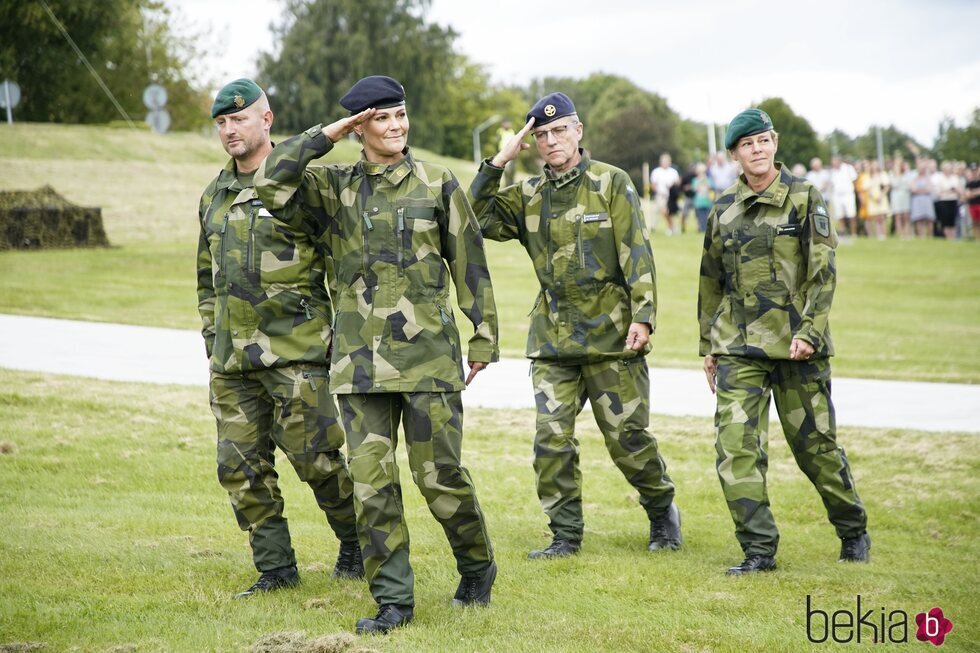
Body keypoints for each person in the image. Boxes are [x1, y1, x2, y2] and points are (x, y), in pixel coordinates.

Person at [254, 76, 499, 634]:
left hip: (430, 361)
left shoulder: (437, 182)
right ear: (360, 127)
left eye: (400, 116)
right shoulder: (332, 188)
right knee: (372, 487)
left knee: (441, 478)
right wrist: (325, 134)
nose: (396, 127)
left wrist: (484, 334)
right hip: (359, 366)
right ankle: (394, 602)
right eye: (382, 118)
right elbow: (270, 182)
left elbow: (471, 264)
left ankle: (477, 565)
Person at [469, 92, 682, 561]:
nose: (551, 141)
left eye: (559, 130)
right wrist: (498, 161)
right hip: (554, 340)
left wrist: (644, 316)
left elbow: (637, 251)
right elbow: (475, 215)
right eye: (541, 135)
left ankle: (661, 508)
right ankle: (565, 533)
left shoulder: (611, 183)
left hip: (612, 337)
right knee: (551, 438)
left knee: (628, 439)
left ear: (578, 130)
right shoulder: (528, 195)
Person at [197, 79, 361, 599]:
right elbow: (208, 277)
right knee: (240, 468)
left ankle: (356, 541)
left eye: (239, 120)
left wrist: (336, 328)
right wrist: (211, 334)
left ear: (266, 120)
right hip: (232, 361)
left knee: (317, 460)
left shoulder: (301, 187)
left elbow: (343, 259)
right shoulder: (214, 195)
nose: (229, 130)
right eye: (221, 122)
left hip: (296, 353)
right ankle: (276, 569)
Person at [698, 108, 870, 576]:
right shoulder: (723, 209)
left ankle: (852, 529)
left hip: (798, 346)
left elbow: (823, 271)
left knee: (815, 450)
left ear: (774, 143)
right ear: (734, 154)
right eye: (746, 144)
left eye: (763, 140)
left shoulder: (804, 197)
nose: (756, 149)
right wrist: (709, 345)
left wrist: (810, 331)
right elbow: (711, 281)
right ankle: (758, 550)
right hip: (739, 346)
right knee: (735, 448)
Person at [651, 152, 681, 235]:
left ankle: (671, 227)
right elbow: (653, 185)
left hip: (671, 196)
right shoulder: (656, 172)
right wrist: (659, 192)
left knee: (669, 212)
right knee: (663, 211)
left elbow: (678, 182)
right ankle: (671, 227)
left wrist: (674, 184)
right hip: (661, 195)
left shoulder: (673, 171)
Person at [829, 156, 857, 237]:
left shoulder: (848, 168)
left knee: (851, 215)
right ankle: (842, 233)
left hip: (848, 194)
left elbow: (854, 179)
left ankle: (853, 233)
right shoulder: (832, 171)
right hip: (837, 195)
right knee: (840, 215)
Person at [496, 120, 517, 186]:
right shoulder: (500, 131)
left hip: (511, 153)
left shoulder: (511, 131)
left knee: (511, 170)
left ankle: (511, 184)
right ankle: (506, 184)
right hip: (502, 152)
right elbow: (497, 141)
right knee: (505, 170)